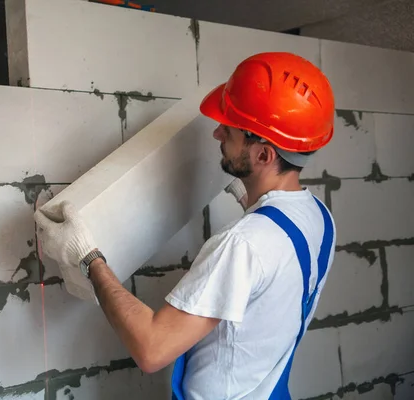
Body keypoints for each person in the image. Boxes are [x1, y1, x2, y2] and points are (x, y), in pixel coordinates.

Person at [34, 52, 337, 399]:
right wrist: (246, 190)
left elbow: (152, 348)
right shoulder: (320, 218)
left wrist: (87, 257)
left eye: (231, 131)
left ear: (264, 155)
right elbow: (277, 248)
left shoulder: (243, 245)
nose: (216, 133)